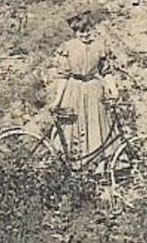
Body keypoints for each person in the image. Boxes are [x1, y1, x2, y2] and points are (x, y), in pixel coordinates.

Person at [46, 11, 121, 159]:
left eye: (87, 31)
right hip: (73, 92)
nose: (85, 35)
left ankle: (99, 164)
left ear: (92, 29)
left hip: (94, 91)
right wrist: (57, 100)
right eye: (80, 32)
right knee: (72, 127)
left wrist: (113, 89)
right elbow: (63, 76)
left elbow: (106, 72)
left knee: (97, 126)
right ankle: (72, 163)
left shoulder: (100, 46)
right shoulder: (68, 47)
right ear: (75, 32)